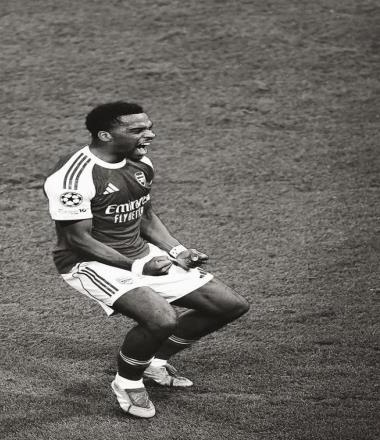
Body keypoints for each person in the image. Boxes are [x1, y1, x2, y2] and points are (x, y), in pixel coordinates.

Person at [44, 101, 249, 418]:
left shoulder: (140, 164)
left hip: (139, 254)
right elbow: (77, 240)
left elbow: (145, 215)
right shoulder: (73, 178)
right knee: (161, 318)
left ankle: (154, 362)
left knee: (228, 305)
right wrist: (138, 267)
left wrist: (177, 251)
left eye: (149, 127)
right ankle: (127, 382)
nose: (150, 135)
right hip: (88, 263)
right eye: (137, 130)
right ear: (105, 135)